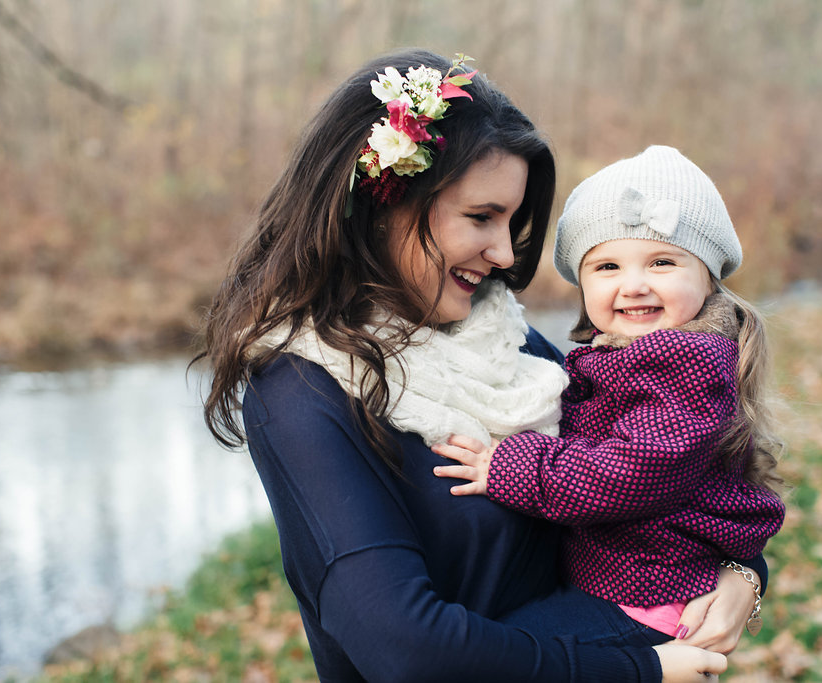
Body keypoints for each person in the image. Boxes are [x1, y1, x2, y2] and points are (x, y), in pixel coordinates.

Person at [198, 49, 760, 682]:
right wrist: (639, 672)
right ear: (387, 203)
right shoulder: (303, 393)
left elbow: (671, 474)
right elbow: (406, 647)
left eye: (512, 221)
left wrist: (741, 577)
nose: (502, 253)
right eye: (480, 217)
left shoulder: (507, 346)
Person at [432, 145, 786, 648]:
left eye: (662, 262)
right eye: (607, 267)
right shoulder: (620, 353)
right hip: (623, 587)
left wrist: (513, 466)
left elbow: (634, 470)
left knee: (497, 657)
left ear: (708, 277)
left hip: (647, 598)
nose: (634, 285)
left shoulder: (685, 361)